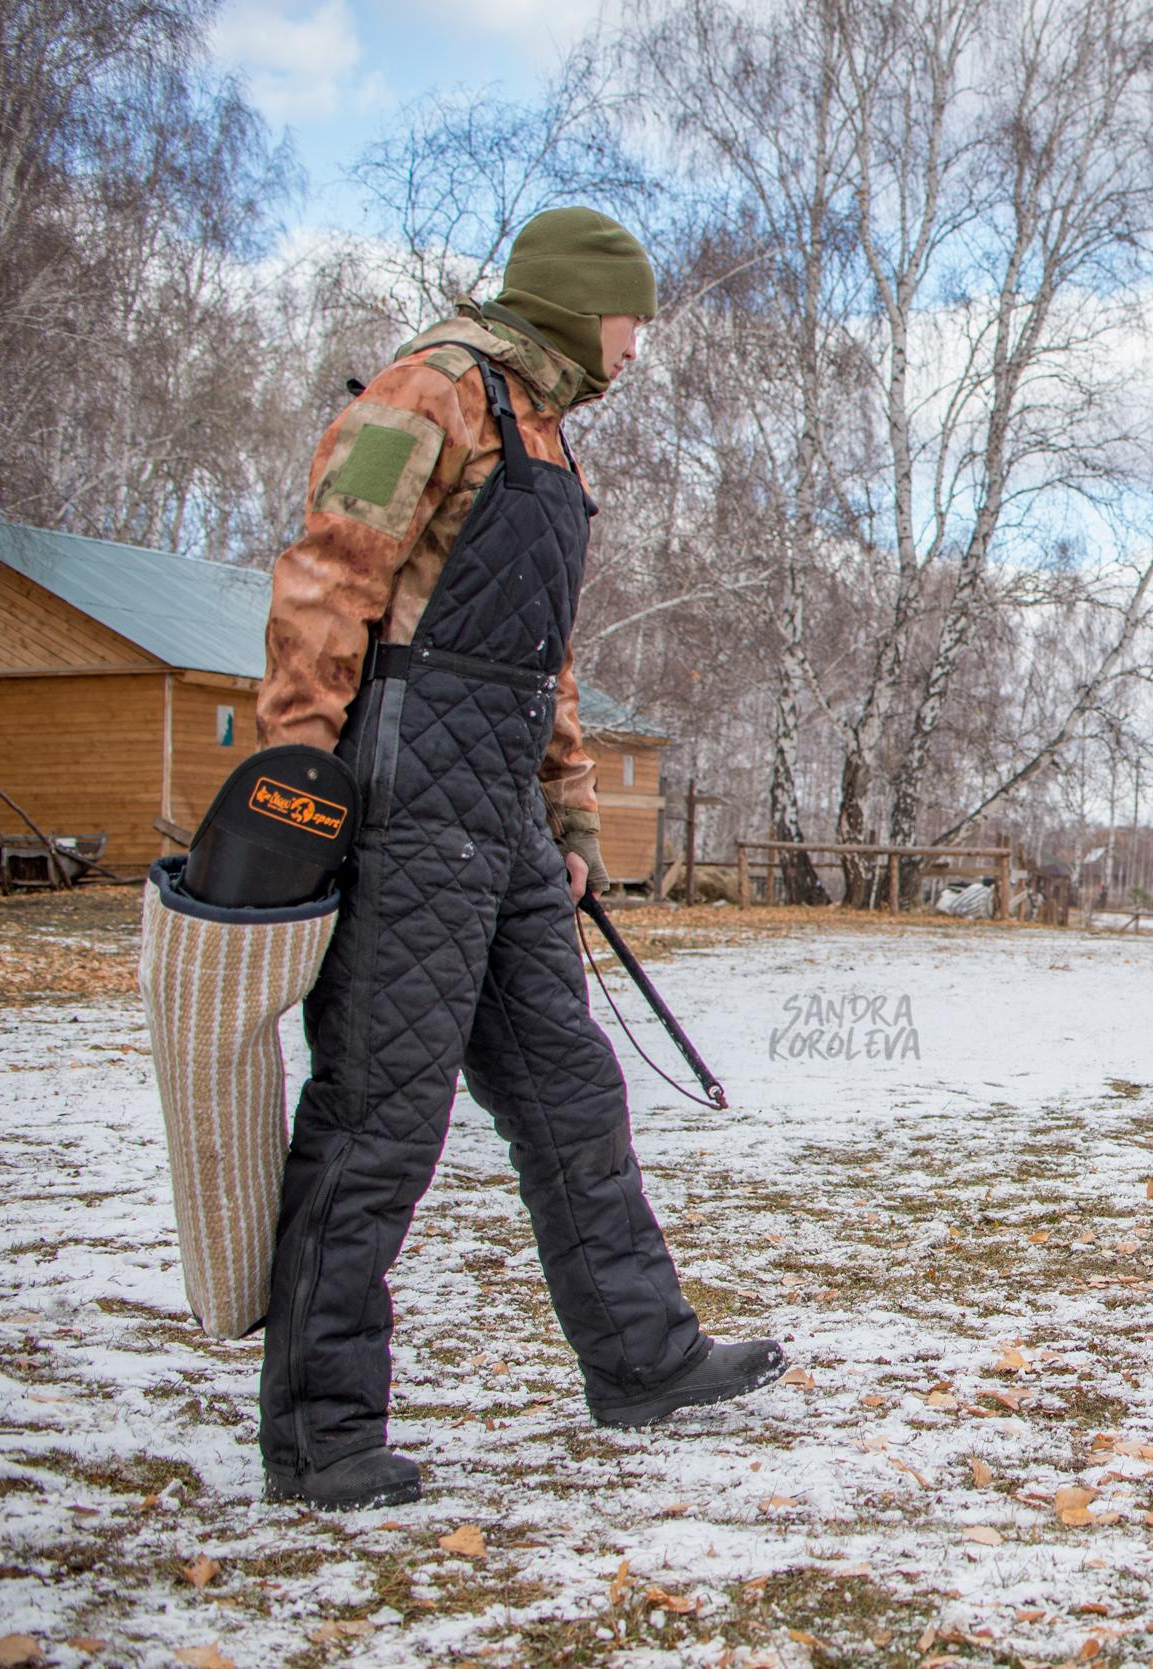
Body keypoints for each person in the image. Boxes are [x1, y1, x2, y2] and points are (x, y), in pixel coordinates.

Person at [254, 207, 781, 1509]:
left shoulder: (544, 432)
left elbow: (535, 658)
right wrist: (293, 773)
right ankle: (320, 1433)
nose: (638, 349)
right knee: (380, 1108)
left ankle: (644, 1360)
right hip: (401, 788)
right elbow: (327, 579)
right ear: (572, 300)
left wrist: (572, 819)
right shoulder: (430, 388)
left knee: (568, 1086)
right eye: (631, 320)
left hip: (498, 814)